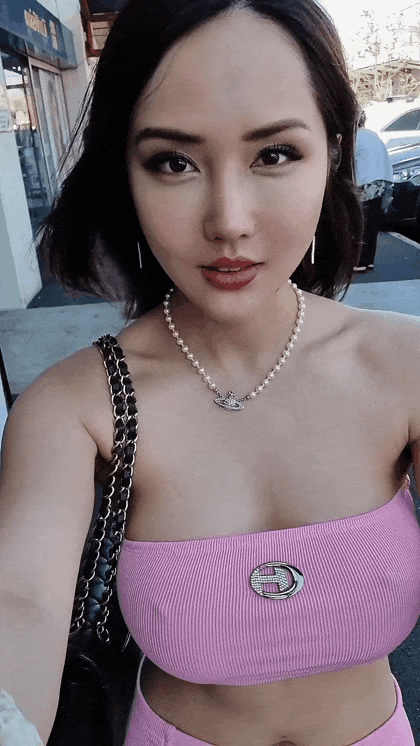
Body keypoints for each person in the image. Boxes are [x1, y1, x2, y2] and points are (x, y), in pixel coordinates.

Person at [1, 1, 420, 745]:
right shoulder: (75, 407)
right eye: (173, 162)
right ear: (124, 173)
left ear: (331, 155)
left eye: (274, 154)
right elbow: (21, 601)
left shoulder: (405, 367)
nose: (228, 220)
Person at [353, 110, 394, 272]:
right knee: (372, 223)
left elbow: (348, 161)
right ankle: (369, 260)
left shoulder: (355, 138)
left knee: (360, 222)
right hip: (380, 181)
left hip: (364, 182)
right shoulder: (372, 135)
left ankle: (360, 261)